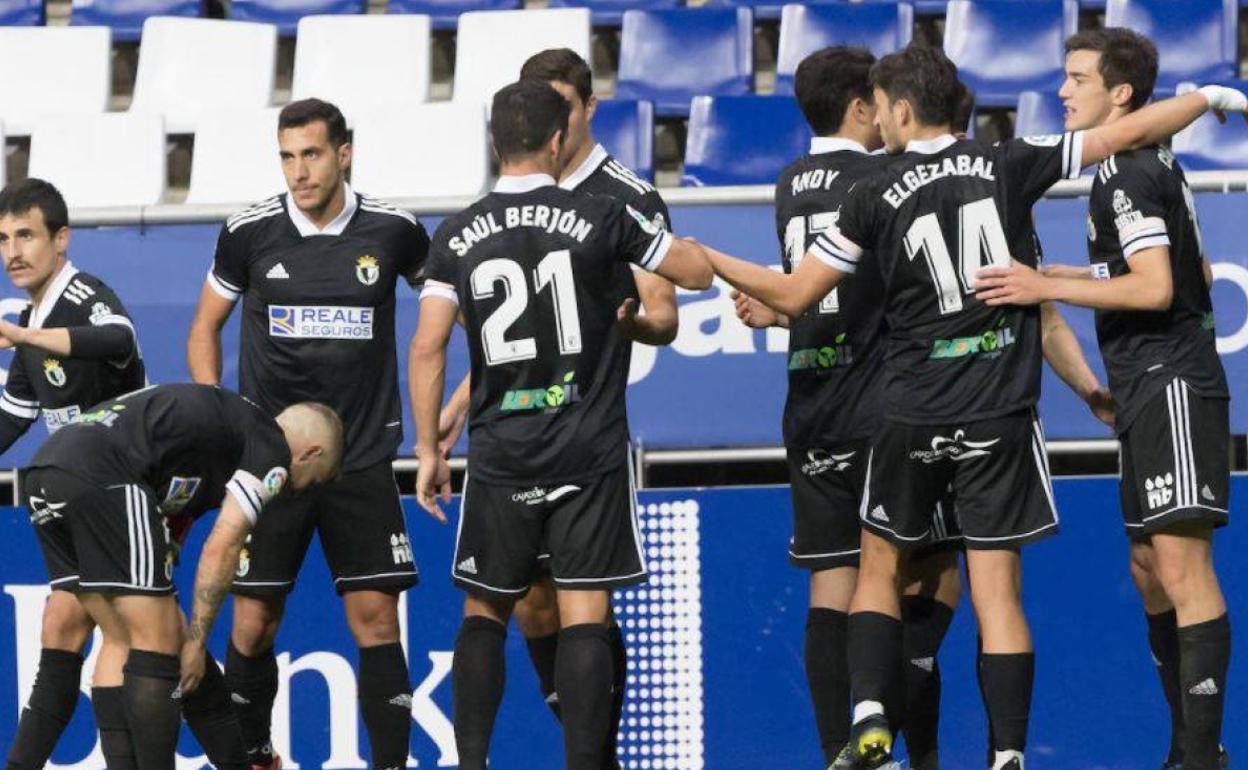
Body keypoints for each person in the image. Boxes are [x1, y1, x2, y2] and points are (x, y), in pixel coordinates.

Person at [695, 43, 1245, 770]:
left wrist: (709, 259)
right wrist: (1208, 99)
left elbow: (798, 293)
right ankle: (1008, 753)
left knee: (880, 568)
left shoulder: (875, 189)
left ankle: (867, 718)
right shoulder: (1007, 163)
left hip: (910, 411)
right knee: (997, 591)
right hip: (998, 412)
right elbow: (1125, 133)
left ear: (898, 109)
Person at [409, 79, 711, 770]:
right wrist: (692, 253)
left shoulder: (455, 234)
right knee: (585, 615)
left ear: (495, 143)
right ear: (556, 140)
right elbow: (690, 275)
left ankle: (472, 762)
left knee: (485, 611)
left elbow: (427, 346)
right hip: (586, 445)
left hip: (502, 450)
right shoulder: (603, 216)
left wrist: (428, 447)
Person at [974, 28, 1235, 770]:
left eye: (1077, 78)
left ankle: (1197, 755)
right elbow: (1199, 273)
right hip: (1143, 383)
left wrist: (1043, 283)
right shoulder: (1138, 166)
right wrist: (1080, 277)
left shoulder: (1124, 175)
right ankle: (1191, 745)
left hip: (1173, 381)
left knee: (1183, 569)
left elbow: (1156, 289)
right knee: (1150, 565)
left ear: (1120, 94)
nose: (1062, 90)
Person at [730, 47, 964, 770]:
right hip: (884, 401)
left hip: (811, 401)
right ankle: (911, 747)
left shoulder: (790, 183)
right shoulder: (887, 178)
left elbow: (812, 290)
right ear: (866, 106)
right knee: (923, 575)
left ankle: (842, 751)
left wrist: (777, 314)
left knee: (831, 583)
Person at [186, 98, 430, 770]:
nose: (299, 171)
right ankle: (256, 754)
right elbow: (203, 327)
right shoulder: (249, 233)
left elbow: (450, 310)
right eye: (288, 156)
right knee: (252, 625)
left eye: (313, 154)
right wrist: (220, 423)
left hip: (362, 458)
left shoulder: (395, 230)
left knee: (376, 620)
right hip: (271, 464)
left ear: (344, 153)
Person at [22, 383, 342, 770]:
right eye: (311, 480)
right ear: (311, 452)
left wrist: (184, 634)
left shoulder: (220, 434)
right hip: (105, 475)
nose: (297, 490)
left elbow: (173, 520)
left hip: (46, 470)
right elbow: (222, 544)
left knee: (123, 636)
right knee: (159, 643)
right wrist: (197, 640)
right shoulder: (271, 446)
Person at [0, 178, 149, 770]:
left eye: (27, 235)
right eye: (5, 238)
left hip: (124, 496)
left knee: (128, 639)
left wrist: (26, 336)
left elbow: (120, 337)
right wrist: (27, 337)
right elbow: (11, 419)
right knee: (66, 626)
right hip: (76, 502)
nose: (13, 250)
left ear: (60, 239)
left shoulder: (82, 295)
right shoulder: (33, 320)